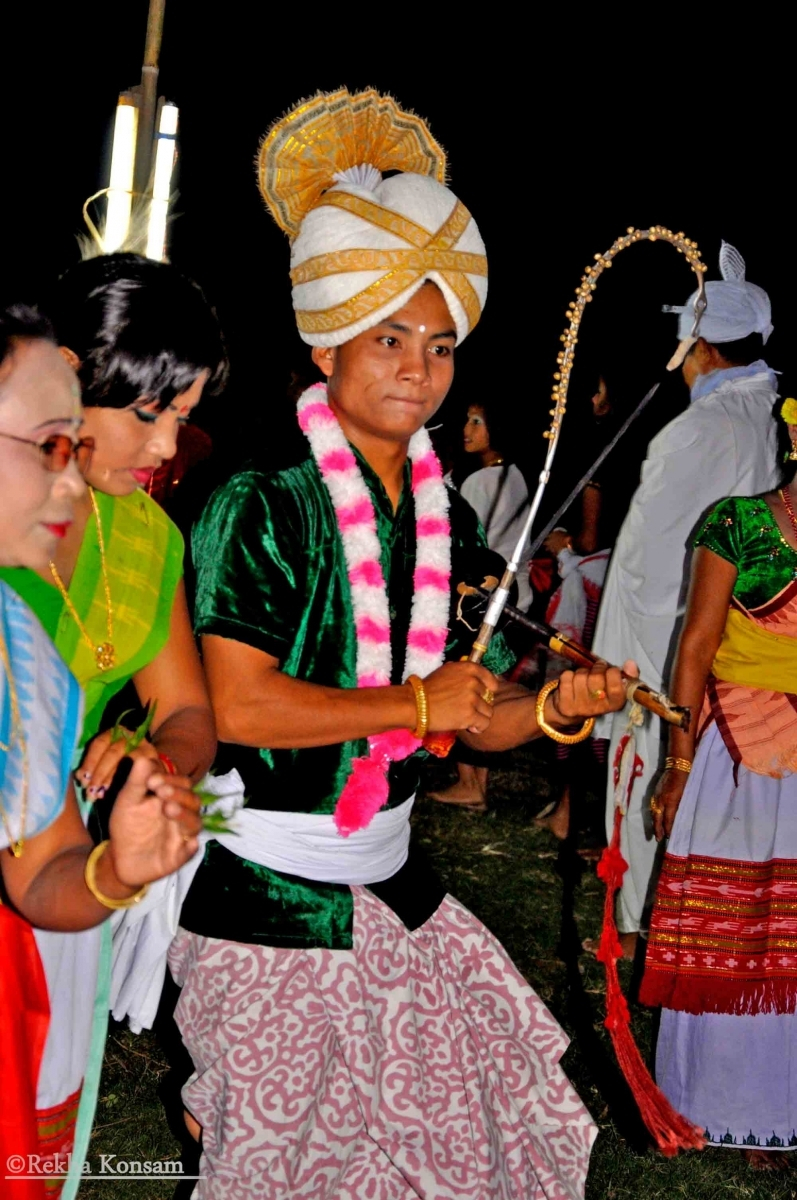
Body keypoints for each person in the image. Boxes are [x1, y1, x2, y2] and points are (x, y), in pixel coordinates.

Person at [167, 88, 635, 1200]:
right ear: (323, 342)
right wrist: (414, 708)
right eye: (387, 336)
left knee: (463, 1144)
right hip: (264, 897)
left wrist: (561, 708)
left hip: (391, 880)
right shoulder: (259, 500)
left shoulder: (443, 517)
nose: (417, 368)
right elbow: (236, 706)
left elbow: (472, 717)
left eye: (436, 345)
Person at [0, 255, 225, 1197]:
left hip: (55, 858)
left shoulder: (146, 540)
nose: (169, 446)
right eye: (148, 412)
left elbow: (188, 713)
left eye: (182, 415)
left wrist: (149, 763)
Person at [591, 241, 780, 958]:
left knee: (648, 775)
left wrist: (619, 667)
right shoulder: (769, 420)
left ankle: (639, 927)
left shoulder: (698, 429)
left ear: (696, 347)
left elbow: (648, 563)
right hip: (743, 643)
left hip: (674, 645)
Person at [638, 396, 797, 1168]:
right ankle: (728, 1109)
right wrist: (676, 761)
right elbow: (694, 648)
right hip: (737, 750)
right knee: (733, 929)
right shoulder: (736, 521)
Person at [429, 400, 531, 810]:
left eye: (478, 421)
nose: (468, 429)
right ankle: (475, 781)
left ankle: (471, 782)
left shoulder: (477, 485)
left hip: (478, 600)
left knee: (467, 684)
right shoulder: (517, 475)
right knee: (486, 685)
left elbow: (469, 549)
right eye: (467, 421)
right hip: (512, 593)